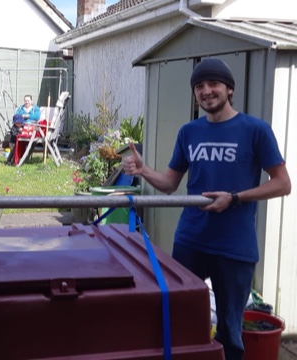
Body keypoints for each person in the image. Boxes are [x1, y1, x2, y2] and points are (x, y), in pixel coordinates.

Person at [122, 58, 291, 360]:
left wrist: (235, 197)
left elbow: (282, 183)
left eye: (213, 84)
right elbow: (170, 184)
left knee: (229, 332)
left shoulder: (255, 130)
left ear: (229, 89)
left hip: (235, 248)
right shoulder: (189, 132)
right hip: (190, 241)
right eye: (199, 86)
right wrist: (143, 170)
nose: (206, 91)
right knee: (180, 321)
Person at [6, 94, 41, 164]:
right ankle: (14, 160)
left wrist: (27, 116)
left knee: (32, 142)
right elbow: (16, 116)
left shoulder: (35, 108)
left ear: (31, 101)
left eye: (28, 100)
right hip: (20, 128)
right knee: (15, 148)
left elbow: (36, 117)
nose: (27, 102)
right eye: (25, 100)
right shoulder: (20, 109)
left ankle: (23, 157)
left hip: (31, 128)